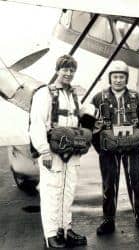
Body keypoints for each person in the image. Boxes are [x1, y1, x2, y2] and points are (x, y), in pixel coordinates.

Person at [90, 60, 139, 235]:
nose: (118, 80)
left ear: (126, 79)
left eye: (121, 77)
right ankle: (108, 219)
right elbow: (91, 126)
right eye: (115, 76)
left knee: (136, 182)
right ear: (110, 78)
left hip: (133, 149)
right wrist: (102, 148)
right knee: (109, 184)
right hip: (108, 150)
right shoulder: (99, 98)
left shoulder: (137, 98)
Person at [29, 55, 87, 248]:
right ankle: (51, 234)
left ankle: (65, 229)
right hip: (52, 152)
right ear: (57, 70)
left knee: (68, 191)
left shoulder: (73, 95)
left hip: (71, 151)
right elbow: (36, 124)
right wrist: (44, 151)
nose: (68, 73)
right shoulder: (45, 93)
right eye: (65, 69)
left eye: (72, 70)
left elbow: (81, 117)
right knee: (51, 191)